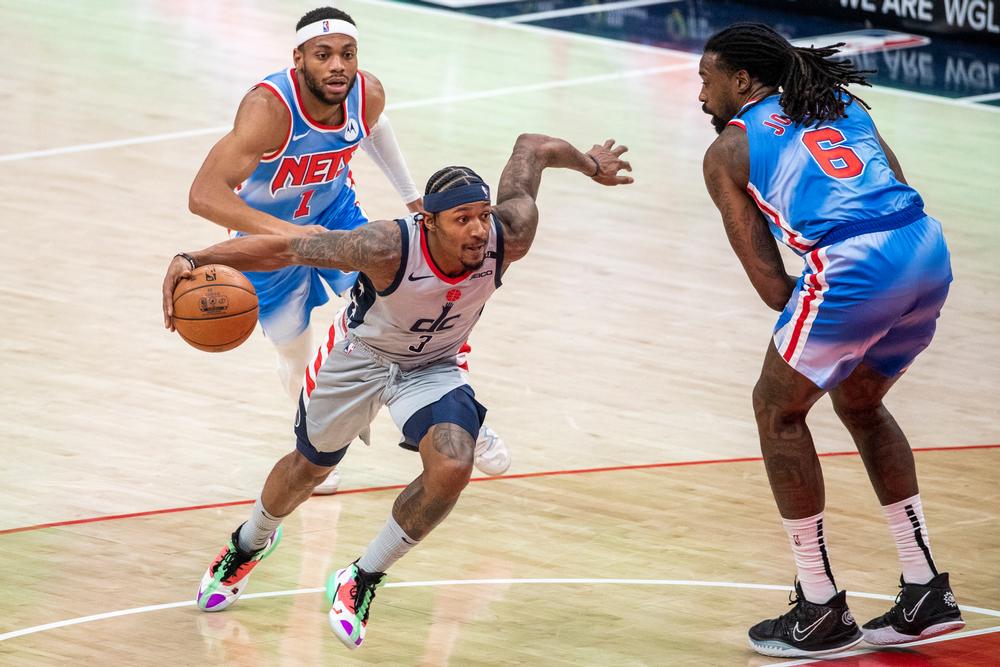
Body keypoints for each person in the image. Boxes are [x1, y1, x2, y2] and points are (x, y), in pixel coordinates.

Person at [162, 133, 633, 649]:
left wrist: (590, 165)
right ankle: (248, 544)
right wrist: (194, 256)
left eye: (482, 215)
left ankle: (361, 577)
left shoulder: (509, 235)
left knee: (454, 464)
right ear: (429, 223)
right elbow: (288, 246)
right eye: (462, 220)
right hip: (359, 360)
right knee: (309, 469)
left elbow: (532, 149)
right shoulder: (385, 246)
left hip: (433, 365)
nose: (478, 230)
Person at [698, 23, 964, 658]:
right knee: (861, 403)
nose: (700, 95)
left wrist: (833, 296)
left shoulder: (728, 152)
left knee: (776, 408)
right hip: (926, 249)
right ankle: (925, 590)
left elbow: (770, 287)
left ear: (741, 80)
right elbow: (896, 187)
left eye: (705, 80)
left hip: (854, 264)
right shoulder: (839, 104)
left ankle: (819, 606)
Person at [187, 6, 509, 492]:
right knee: (294, 350)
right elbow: (204, 195)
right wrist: (282, 235)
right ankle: (316, 455)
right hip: (267, 233)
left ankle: (466, 419)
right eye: (323, 55)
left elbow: (374, 128)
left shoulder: (366, 92)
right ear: (298, 58)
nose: (338, 65)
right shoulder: (269, 109)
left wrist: (410, 195)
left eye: (347, 54)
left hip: (336, 217)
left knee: (410, 299)